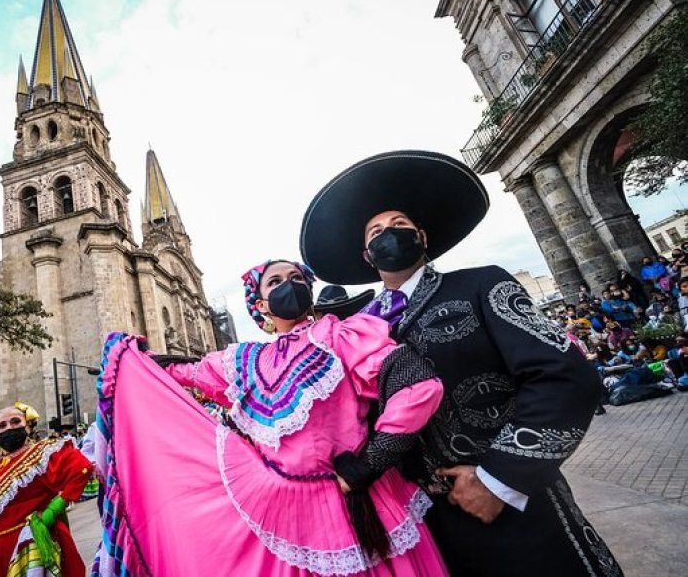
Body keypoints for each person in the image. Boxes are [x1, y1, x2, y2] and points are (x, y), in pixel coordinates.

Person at [299, 150, 621, 576]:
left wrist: (499, 479)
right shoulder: (355, 332)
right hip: (423, 526)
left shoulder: (481, 285)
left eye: (399, 225)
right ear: (367, 257)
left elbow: (565, 379)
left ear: (423, 237)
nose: (388, 234)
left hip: (514, 508)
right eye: (376, 231)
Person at [93, 259, 447, 576]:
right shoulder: (245, 361)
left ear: (309, 290)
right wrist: (131, 359)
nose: (288, 285)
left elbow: (417, 386)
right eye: (275, 282)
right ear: (261, 305)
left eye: (295, 278)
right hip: (282, 512)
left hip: (356, 502)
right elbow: (186, 371)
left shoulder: (341, 335)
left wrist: (372, 461)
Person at [0, 403, 92, 577]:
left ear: (28, 427)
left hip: (24, 549)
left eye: (15, 421)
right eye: (1, 426)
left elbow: (81, 468)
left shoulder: (43, 454)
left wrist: (53, 511)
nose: (9, 427)